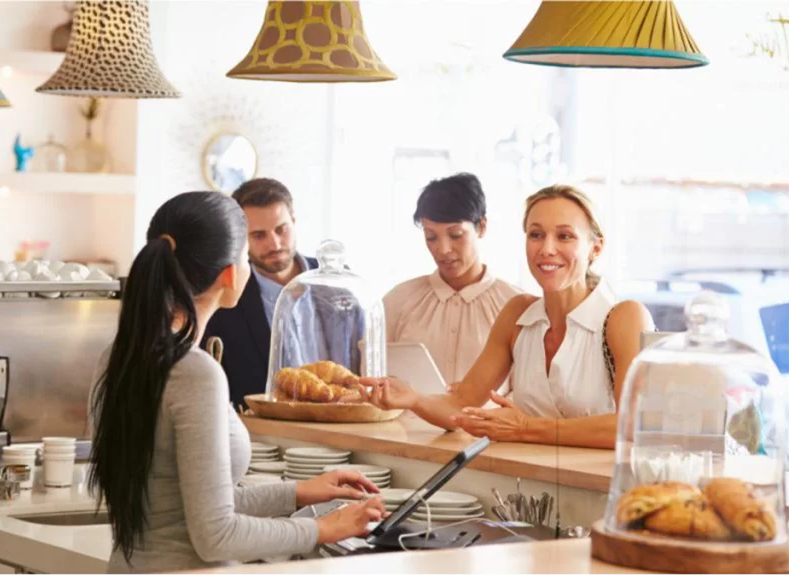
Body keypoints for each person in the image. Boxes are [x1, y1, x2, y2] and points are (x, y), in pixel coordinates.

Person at [88, 191, 386, 574]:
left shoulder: (118, 356)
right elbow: (216, 535)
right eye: (247, 254)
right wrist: (323, 528)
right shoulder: (194, 371)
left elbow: (182, 505)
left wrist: (297, 492)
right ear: (229, 273)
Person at [363, 184, 655, 449]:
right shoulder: (517, 313)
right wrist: (414, 399)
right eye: (536, 235)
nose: (546, 249)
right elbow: (461, 405)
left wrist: (527, 428)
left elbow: (632, 425)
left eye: (564, 236)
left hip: (595, 492)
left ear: (596, 247)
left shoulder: (625, 317)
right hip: (523, 487)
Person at [383, 173, 523, 389]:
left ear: (482, 227)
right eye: (431, 237)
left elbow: (528, 395)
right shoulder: (397, 301)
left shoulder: (516, 306)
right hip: (406, 423)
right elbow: (372, 377)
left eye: (456, 235)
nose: (443, 250)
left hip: (487, 423)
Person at [201, 178, 321, 410]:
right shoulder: (225, 295)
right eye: (258, 235)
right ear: (240, 238)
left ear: (294, 222)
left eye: (281, 229)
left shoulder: (336, 281)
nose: (274, 243)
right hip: (260, 437)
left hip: (339, 430)